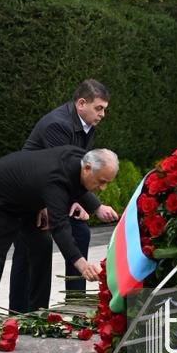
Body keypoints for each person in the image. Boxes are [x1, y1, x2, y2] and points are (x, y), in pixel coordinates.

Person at [9, 79, 117, 312]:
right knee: (31, 248)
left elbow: (80, 169)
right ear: (81, 103)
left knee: (80, 232)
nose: (103, 114)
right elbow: (59, 169)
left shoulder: (87, 125)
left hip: (52, 187)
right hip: (29, 193)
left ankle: (75, 303)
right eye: (99, 108)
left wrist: (77, 200)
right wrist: (95, 206)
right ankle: (20, 312)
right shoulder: (57, 126)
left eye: (105, 109)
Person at [0, 147, 117, 314]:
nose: (102, 188)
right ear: (88, 167)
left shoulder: (78, 160)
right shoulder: (56, 179)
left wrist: (95, 207)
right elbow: (59, 227)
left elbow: (73, 185)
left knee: (41, 245)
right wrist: (82, 265)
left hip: (24, 200)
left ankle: (37, 314)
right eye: (101, 181)